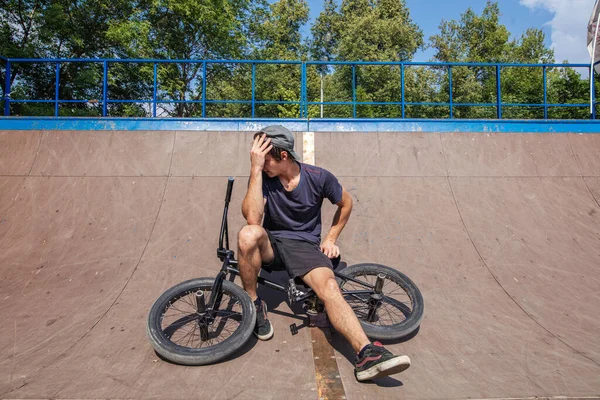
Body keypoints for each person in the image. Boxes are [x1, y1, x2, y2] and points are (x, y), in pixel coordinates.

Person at [237, 125, 411, 381]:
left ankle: (367, 354)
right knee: (247, 233)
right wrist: (255, 169)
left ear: (284, 156)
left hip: (305, 246)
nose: (262, 164)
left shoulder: (318, 177)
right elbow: (253, 218)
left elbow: (346, 203)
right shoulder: (262, 177)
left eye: (266, 160)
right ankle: (253, 304)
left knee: (329, 287)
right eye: (258, 159)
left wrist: (331, 237)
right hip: (273, 243)